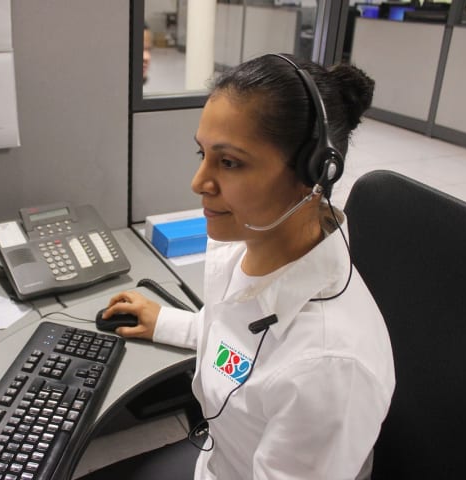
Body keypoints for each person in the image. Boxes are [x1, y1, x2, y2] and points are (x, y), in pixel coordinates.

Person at [96, 54, 395, 479]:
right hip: (216, 459)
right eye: (202, 153)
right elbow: (236, 336)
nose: (198, 182)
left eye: (229, 162)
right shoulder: (249, 245)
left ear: (315, 173)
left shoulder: (328, 367)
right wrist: (165, 322)